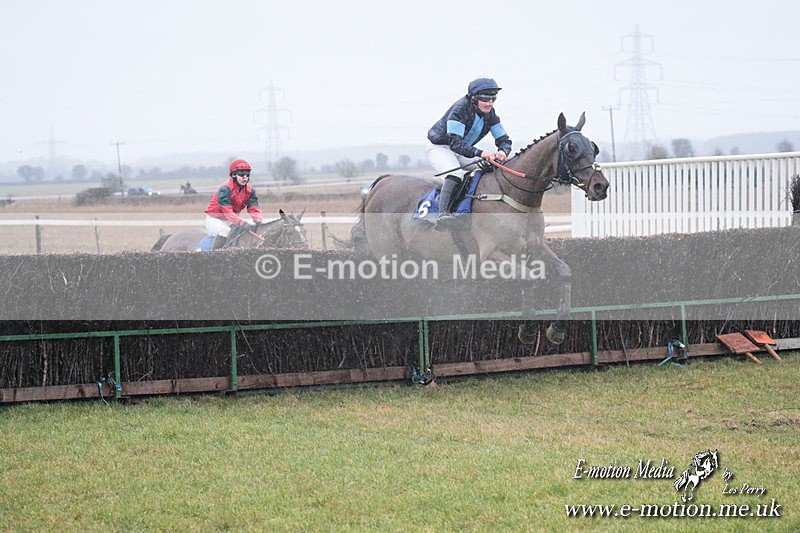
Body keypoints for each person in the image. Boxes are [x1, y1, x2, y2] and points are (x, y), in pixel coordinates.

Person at [426, 77, 512, 228]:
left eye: (493, 98)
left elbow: (504, 140)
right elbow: (455, 143)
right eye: (485, 98)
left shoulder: (490, 114)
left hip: (461, 150)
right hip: (440, 148)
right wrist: (480, 152)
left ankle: (469, 205)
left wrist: (502, 151)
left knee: (488, 167)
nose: (490, 103)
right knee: (455, 174)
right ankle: (443, 213)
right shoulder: (459, 110)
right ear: (473, 98)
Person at [204, 159, 263, 248]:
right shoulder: (225, 189)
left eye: (247, 174)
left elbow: (253, 207)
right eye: (241, 174)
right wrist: (241, 222)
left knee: (253, 227)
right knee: (225, 231)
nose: (245, 177)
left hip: (232, 220)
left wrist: (258, 220)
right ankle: (214, 255)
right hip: (215, 220)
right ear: (234, 175)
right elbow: (227, 211)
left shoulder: (250, 190)